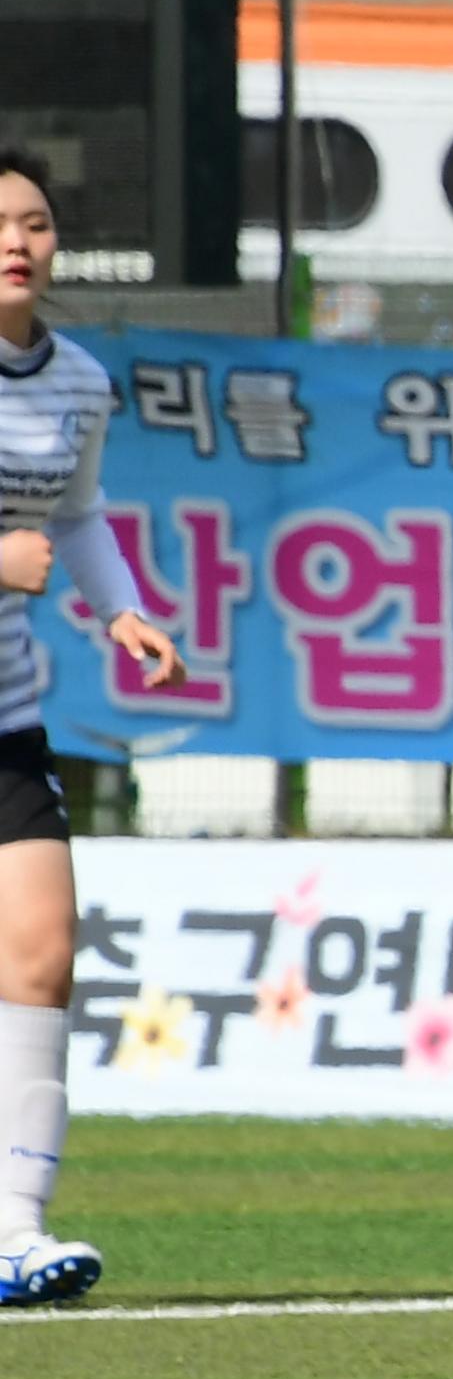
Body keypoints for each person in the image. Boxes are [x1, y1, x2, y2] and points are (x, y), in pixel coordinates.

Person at [0, 150, 192, 1306]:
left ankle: (15, 1227)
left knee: (41, 951)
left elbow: (76, 516)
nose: (16, 239)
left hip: (6, 715)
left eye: (34, 221)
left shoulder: (77, 380)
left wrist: (122, 611)